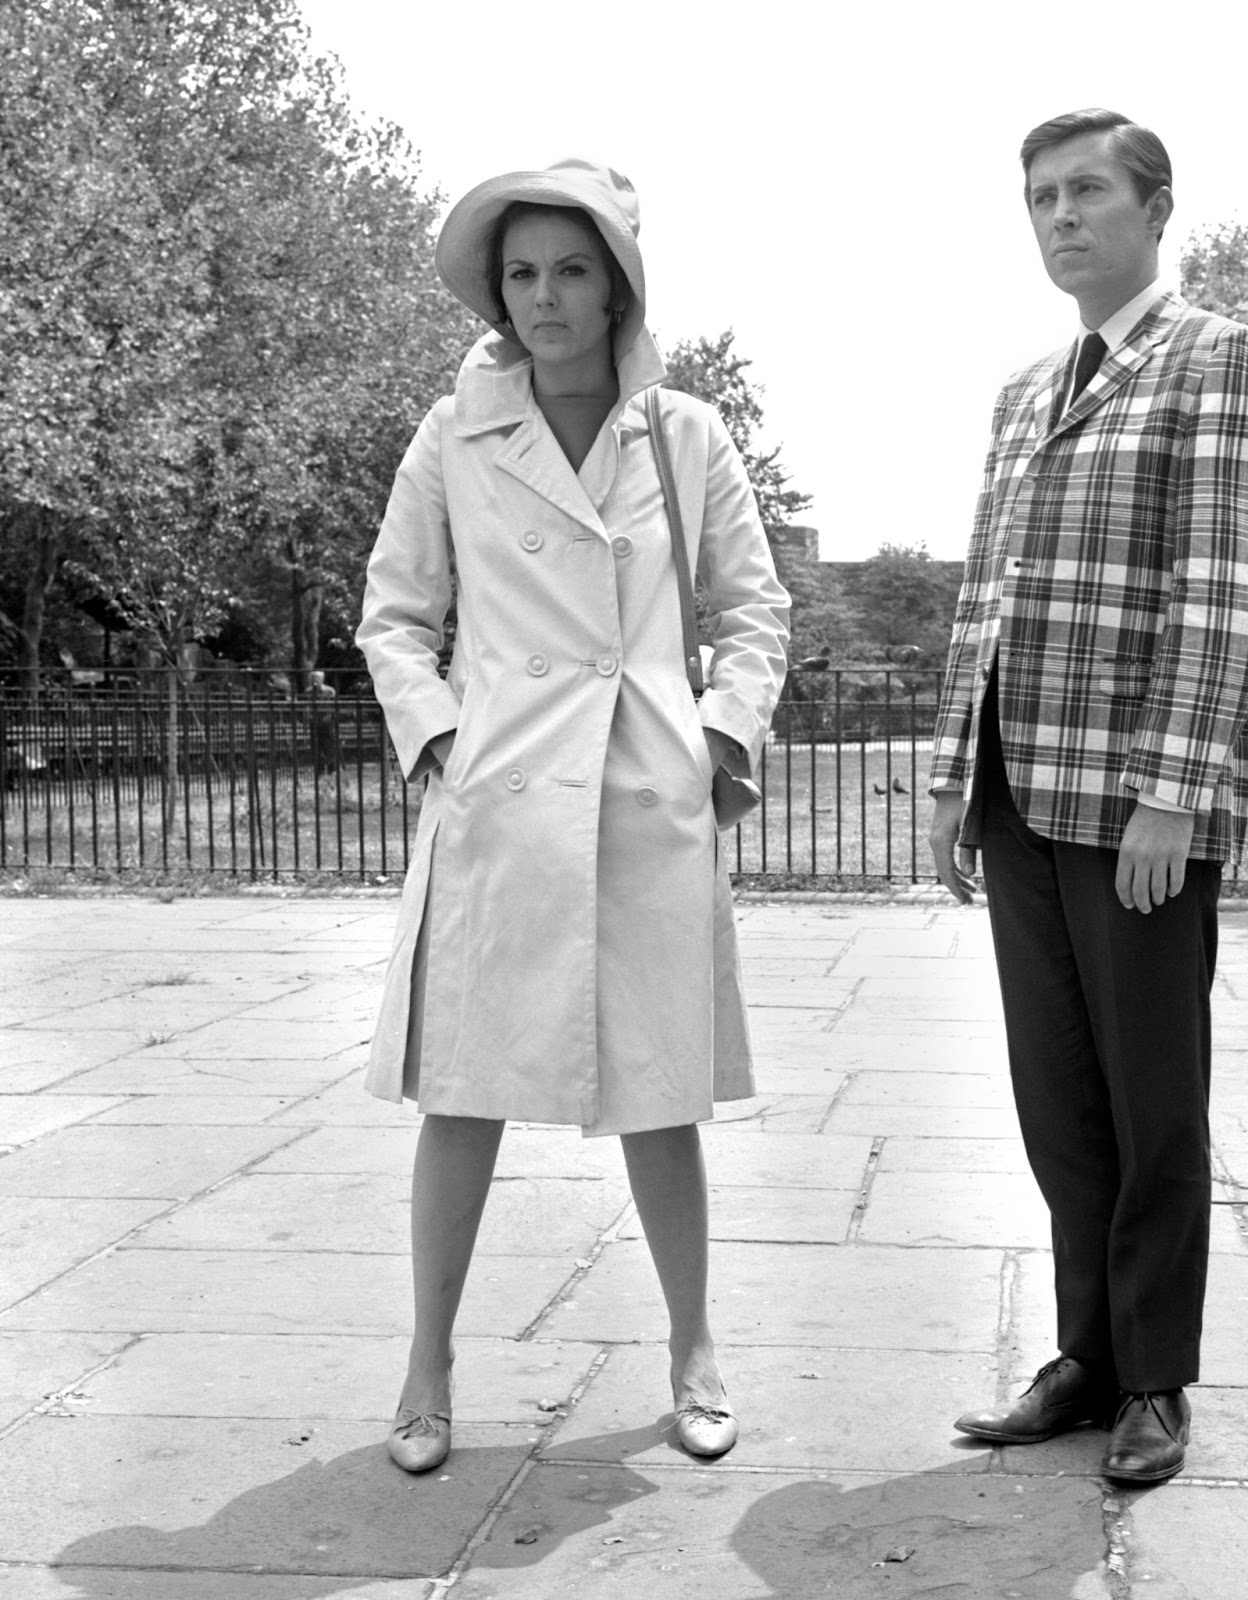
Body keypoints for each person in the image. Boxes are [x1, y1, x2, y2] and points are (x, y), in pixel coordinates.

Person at [356, 159, 790, 1474]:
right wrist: (441, 740)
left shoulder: (686, 435)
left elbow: (753, 611)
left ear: (618, 286)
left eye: (571, 269)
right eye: (522, 272)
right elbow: (394, 615)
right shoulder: (454, 433)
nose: (543, 298)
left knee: (662, 1100)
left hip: (642, 800)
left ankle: (694, 1351)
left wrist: (714, 739)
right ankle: (426, 1368)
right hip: (503, 805)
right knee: (462, 1095)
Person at [928, 110, 1248, 1483]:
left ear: (1154, 207)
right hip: (1022, 791)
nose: (1058, 217)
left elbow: (1225, 589)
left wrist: (1171, 791)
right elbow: (987, 595)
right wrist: (958, 784)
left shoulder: (1221, 357)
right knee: (1056, 1095)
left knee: (1153, 1096)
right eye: (1037, 197)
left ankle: (1153, 1377)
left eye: (1085, 191)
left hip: (1137, 799)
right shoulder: (1024, 389)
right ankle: (1081, 1353)